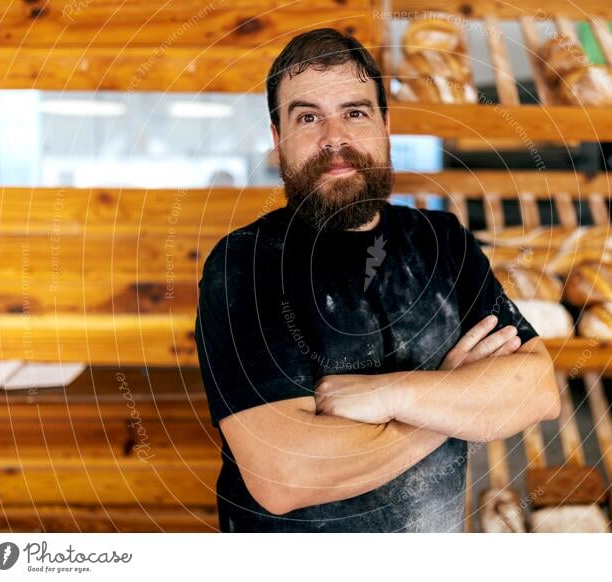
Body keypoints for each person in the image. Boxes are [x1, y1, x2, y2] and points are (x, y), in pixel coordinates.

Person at [194, 28, 560, 532]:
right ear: (278, 139)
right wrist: (451, 400)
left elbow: (536, 389)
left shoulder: (443, 242)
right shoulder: (245, 265)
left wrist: (392, 394)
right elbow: (287, 476)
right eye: (307, 117)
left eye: (355, 112)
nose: (334, 138)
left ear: (386, 125)